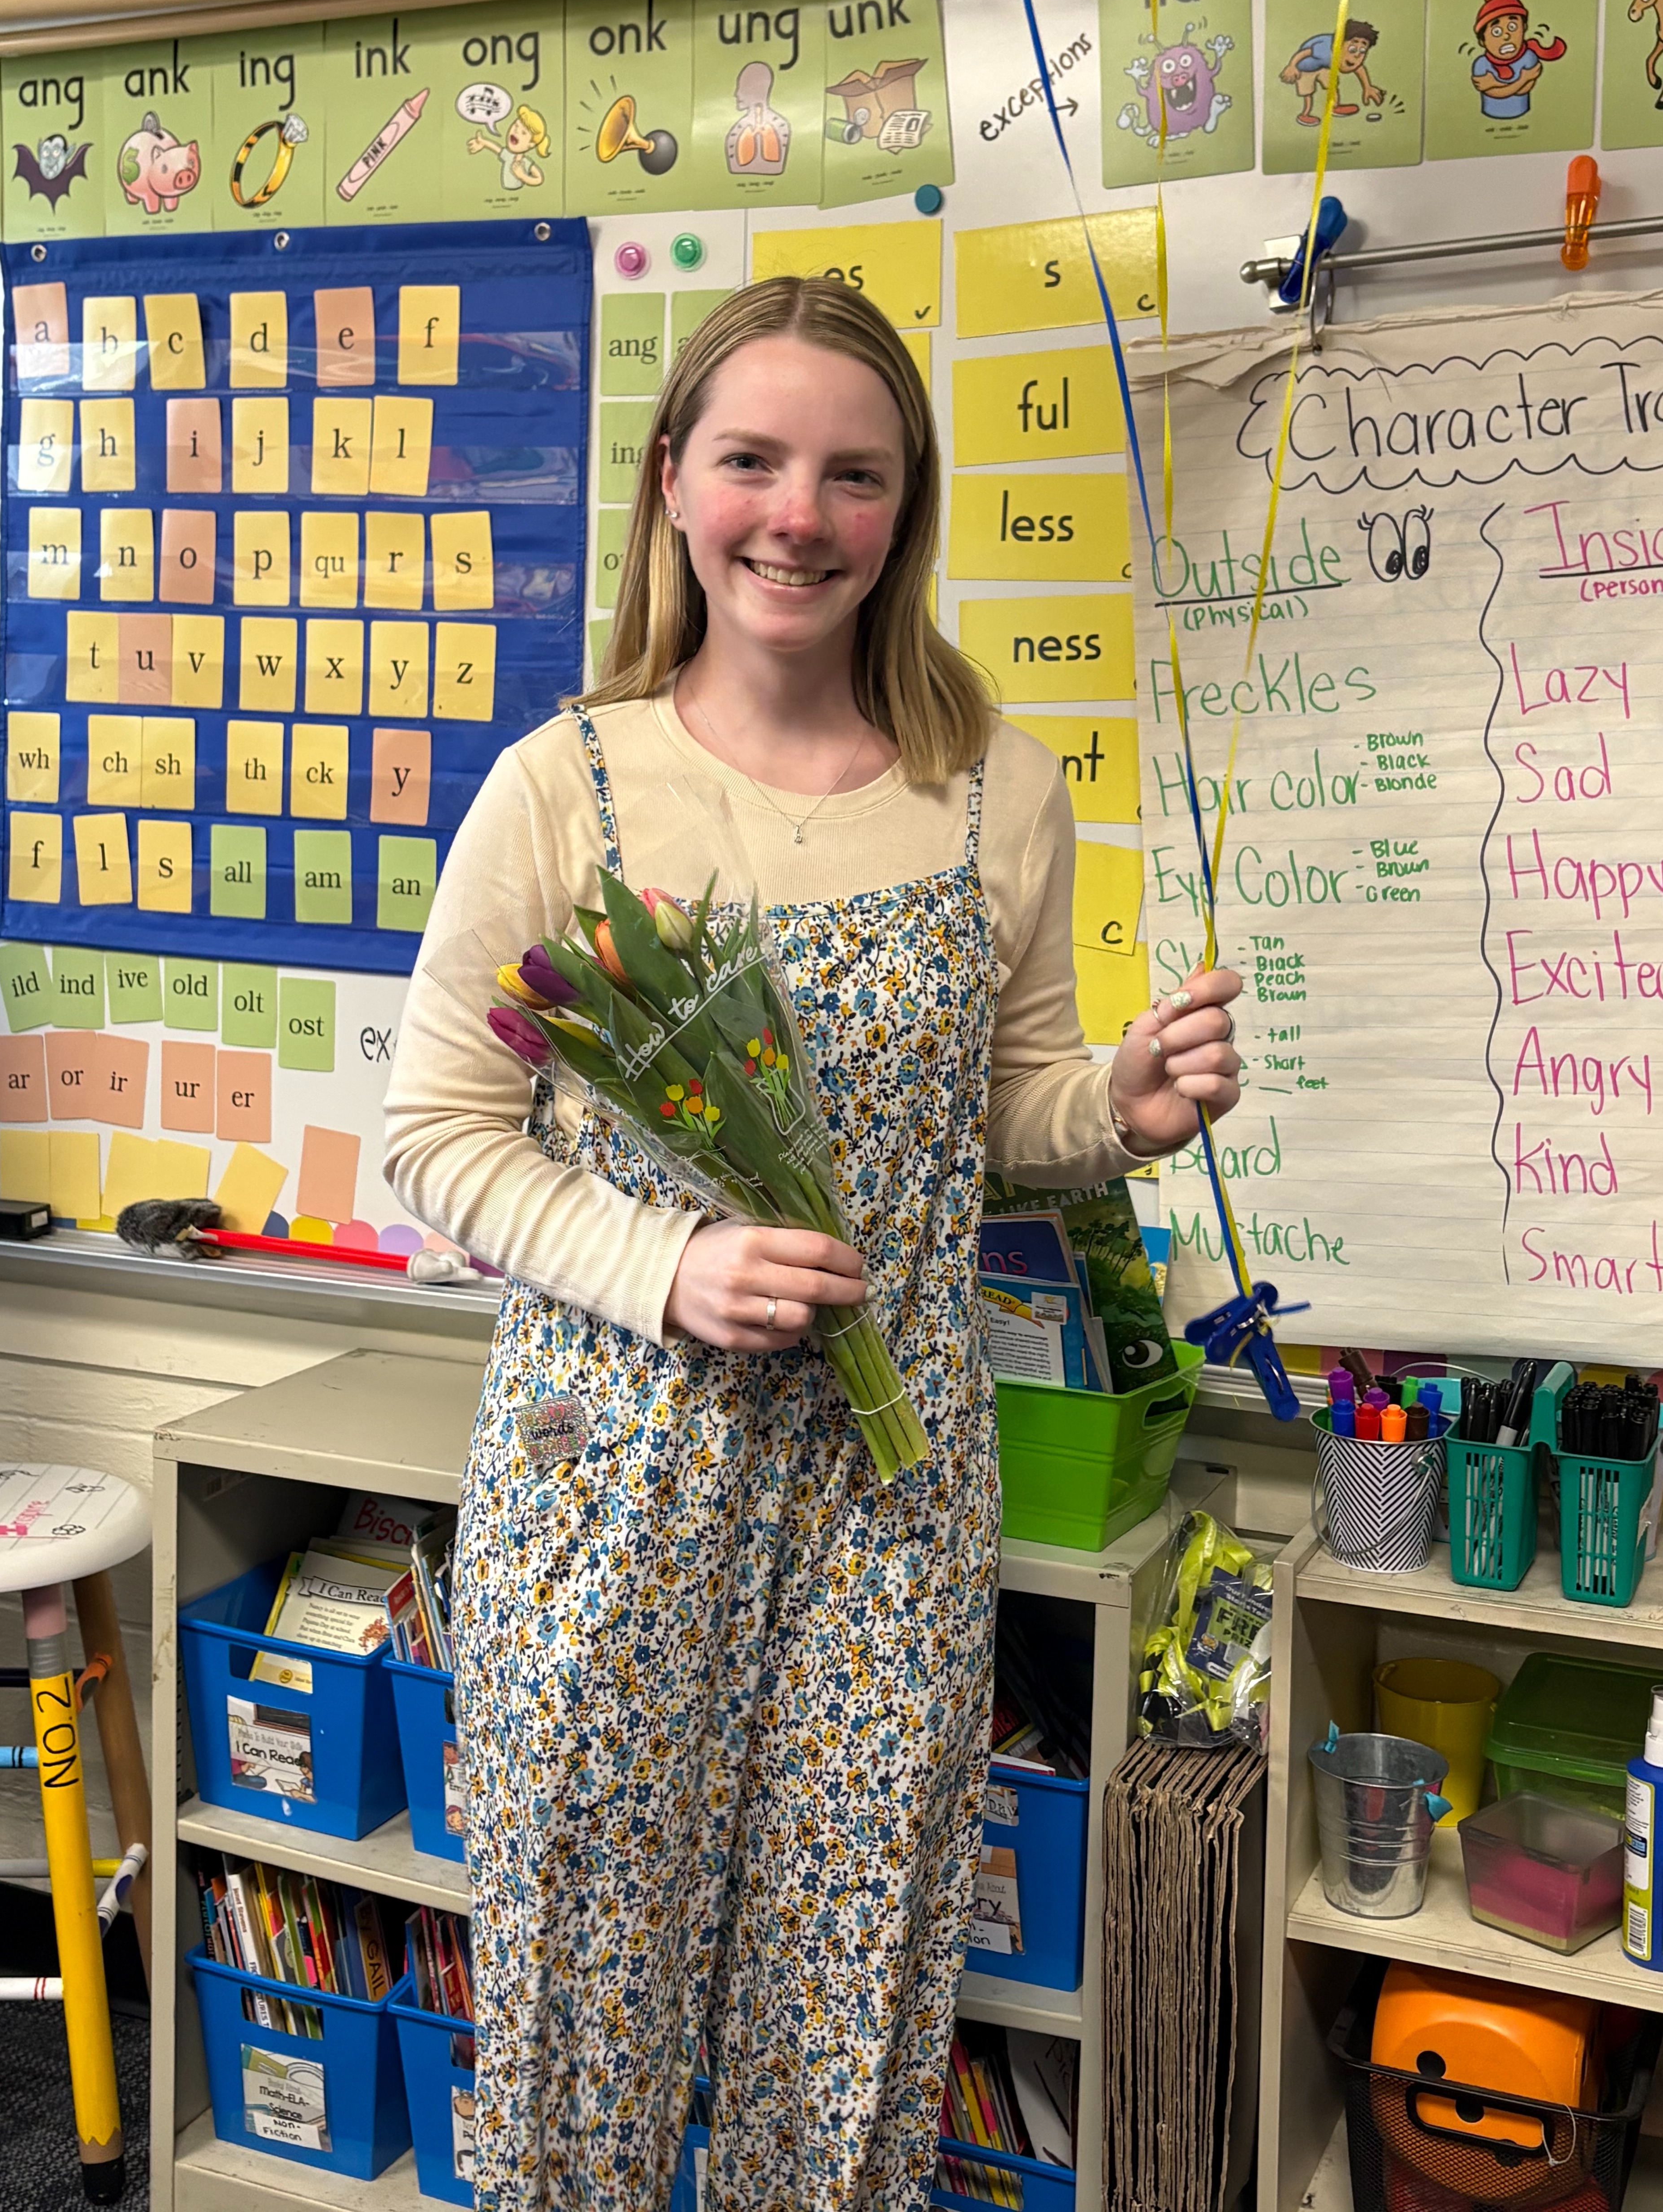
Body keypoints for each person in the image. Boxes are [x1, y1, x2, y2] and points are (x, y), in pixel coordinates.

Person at [384, 276, 1243, 2211]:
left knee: (846, 2004)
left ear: (904, 508)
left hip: (887, 1488)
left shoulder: (992, 788)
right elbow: (435, 1137)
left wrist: (1112, 1110)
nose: (800, 514)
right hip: (614, 1480)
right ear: (674, 484)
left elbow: (1000, 1121)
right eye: (754, 460)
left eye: (853, 475)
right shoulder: (567, 786)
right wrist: (658, 1268)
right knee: (578, 2015)